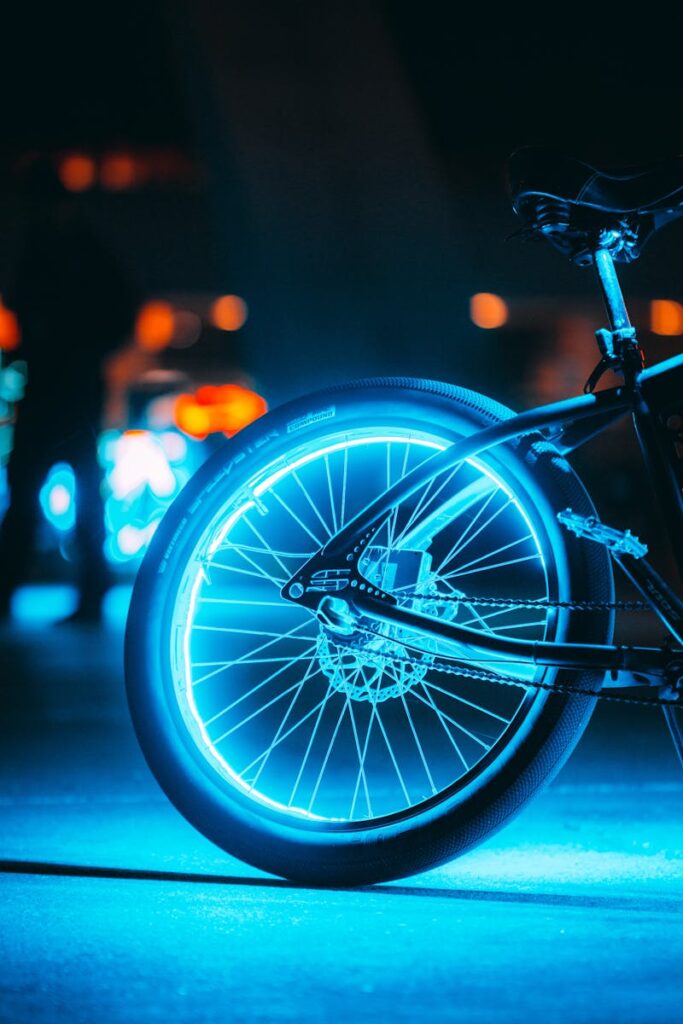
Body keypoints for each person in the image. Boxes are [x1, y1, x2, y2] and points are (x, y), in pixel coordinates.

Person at [0, 160, 137, 622]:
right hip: (65, 389)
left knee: (47, 494)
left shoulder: (66, 250)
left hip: (61, 388)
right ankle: (82, 595)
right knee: (66, 493)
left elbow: (116, 312)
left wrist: (66, 341)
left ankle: (62, 594)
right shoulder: (69, 247)